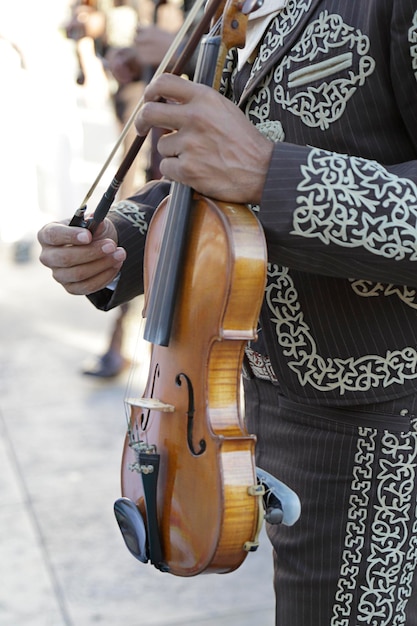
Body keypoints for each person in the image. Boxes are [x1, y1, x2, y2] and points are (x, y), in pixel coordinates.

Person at [38, 0, 417, 623]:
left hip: (383, 429)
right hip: (247, 403)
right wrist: (118, 240)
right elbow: (214, 177)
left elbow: (251, 169)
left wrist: (270, 172)